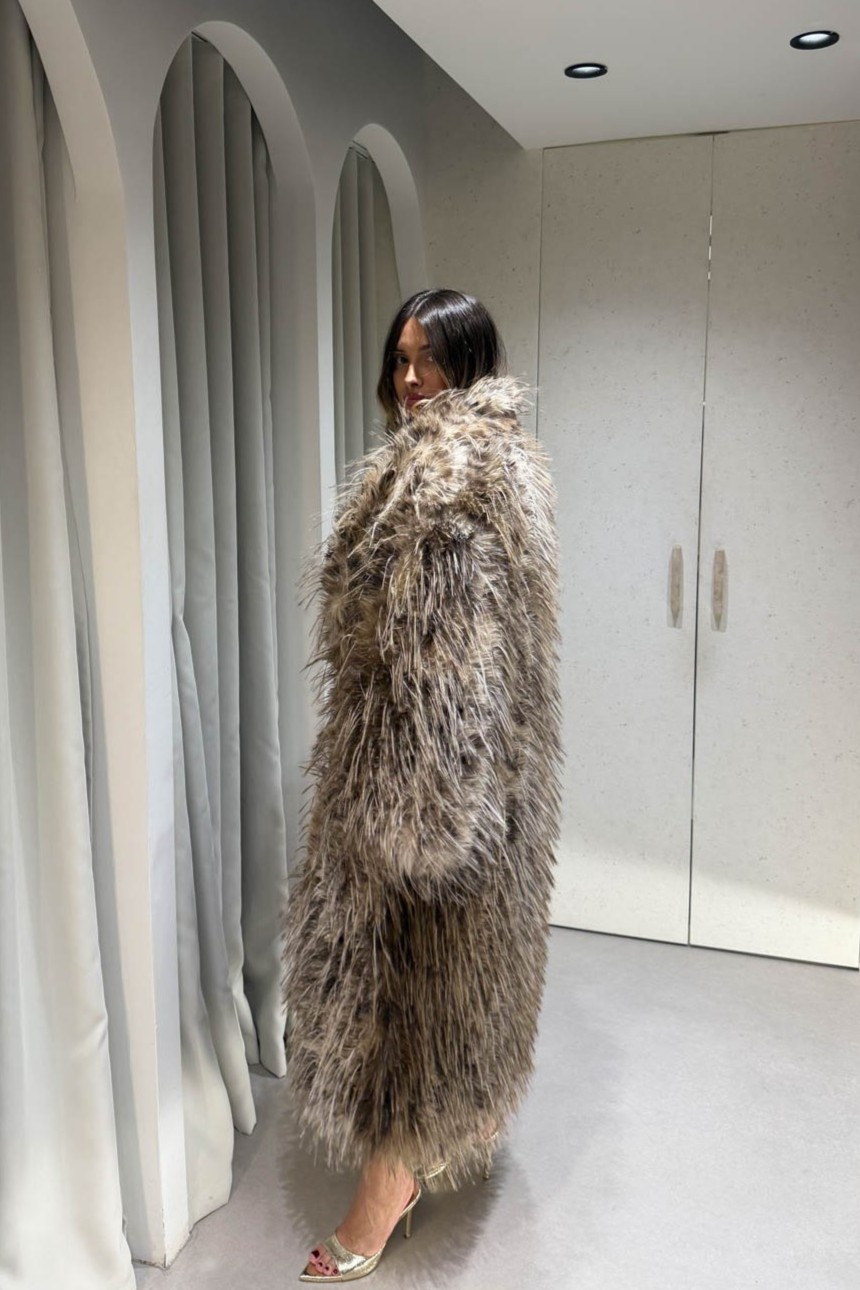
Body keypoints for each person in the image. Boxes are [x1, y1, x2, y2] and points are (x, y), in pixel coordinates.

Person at [283, 289, 563, 1282]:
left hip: (427, 796)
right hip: (482, 784)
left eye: (429, 359)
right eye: (399, 358)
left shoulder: (444, 485)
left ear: (470, 363)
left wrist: (419, 824)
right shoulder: (498, 468)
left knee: (406, 989)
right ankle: (440, 1136)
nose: (408, 379)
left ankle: (385, 1188)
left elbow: (453, 675)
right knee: (457, 986)